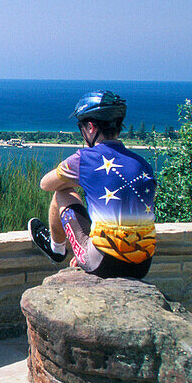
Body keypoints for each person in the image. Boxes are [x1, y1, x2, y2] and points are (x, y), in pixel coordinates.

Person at [28, 90, 156, 279]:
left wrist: (78, 177)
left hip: (103, 265)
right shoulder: (143, 165)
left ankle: (56, 249)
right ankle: (89, 250)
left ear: (90, 128)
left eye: (81, 128)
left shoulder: (85, 159)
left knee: (62, 192)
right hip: (142, 266)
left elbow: (45, 184)